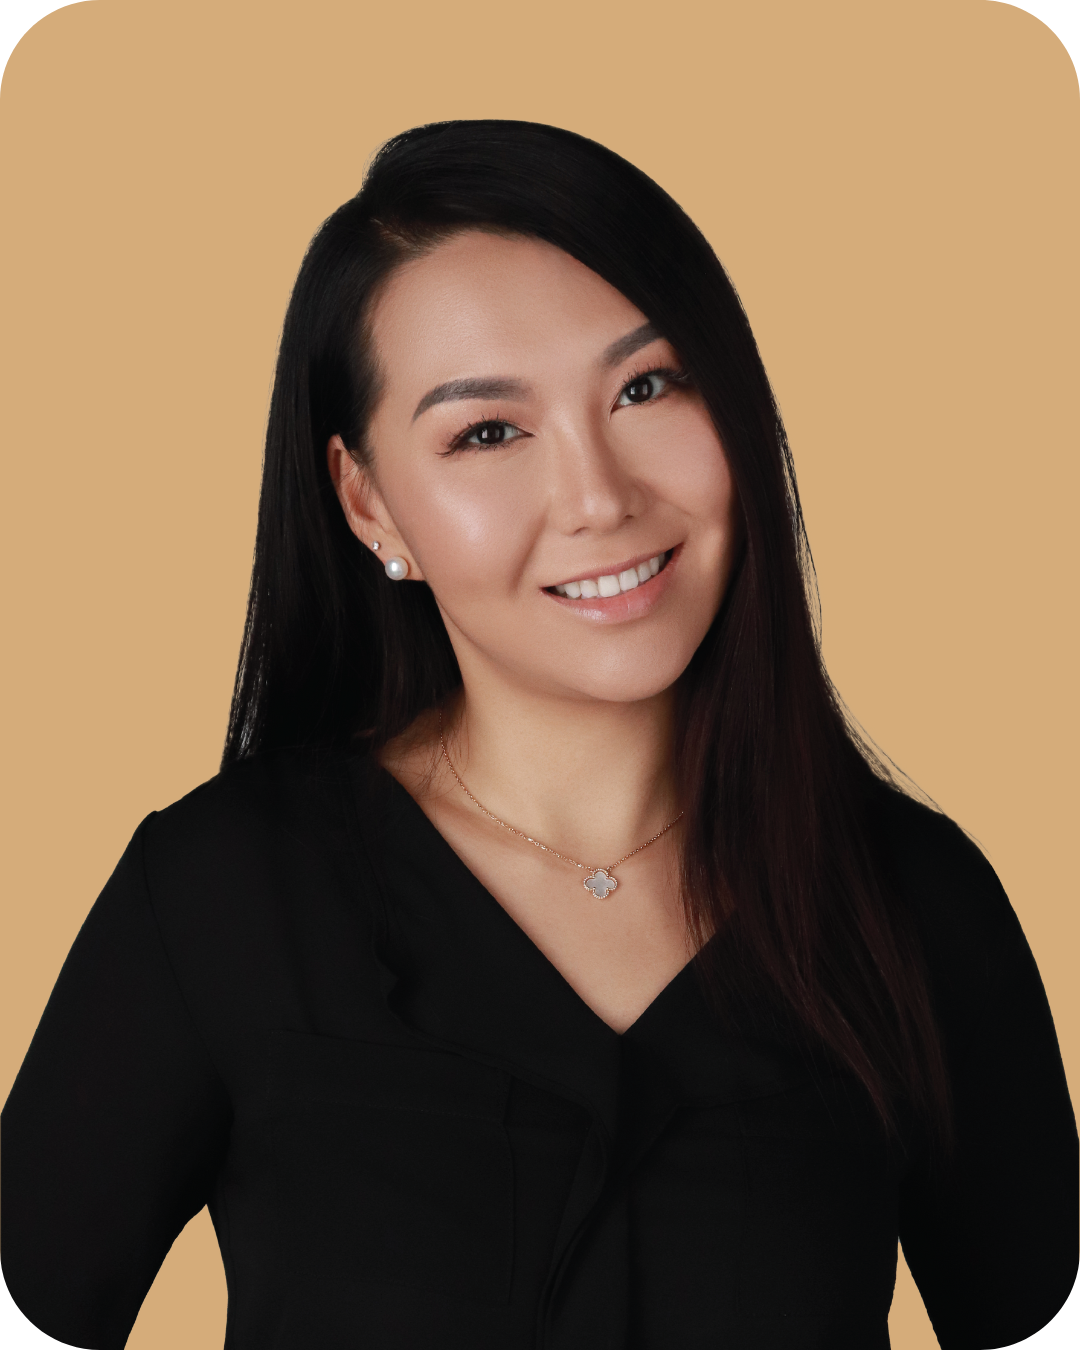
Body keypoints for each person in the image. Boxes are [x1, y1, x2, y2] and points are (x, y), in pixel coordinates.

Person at [2, 119, 1075, 1350]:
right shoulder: (219, 897)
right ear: (368, 501)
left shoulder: (920, 906)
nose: (601, 498)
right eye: (489, 432)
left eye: (647, 386)